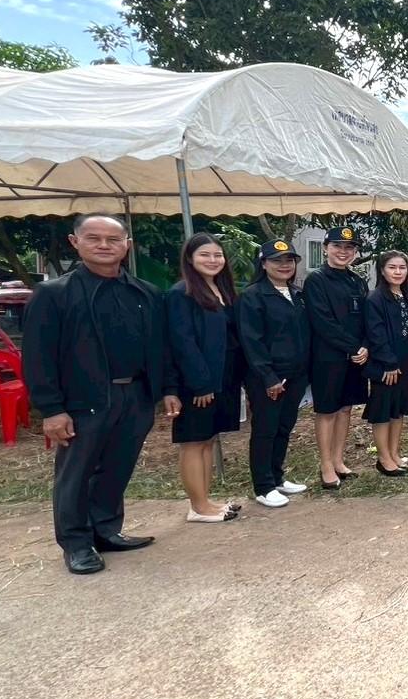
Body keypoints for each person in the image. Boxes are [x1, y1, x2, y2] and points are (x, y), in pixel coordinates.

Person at [24, 213, 181, 575]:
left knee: (117, 467)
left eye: (113, 240)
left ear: (127, 245)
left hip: (135, 396)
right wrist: (51, 409)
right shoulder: (54, 294)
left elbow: (161, 347)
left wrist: (169, 388)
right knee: (76, 474)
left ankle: (106, 530)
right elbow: (37, 356)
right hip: (84, 400)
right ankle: (77, 543)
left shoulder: (145, 292)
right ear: (75, 242)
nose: (104, 246)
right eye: (94, 238)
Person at [166, 233, 245, 522]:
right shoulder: (181, 293)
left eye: (217, 255)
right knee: (194, 442)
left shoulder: (222, 290)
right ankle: (198, 507)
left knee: (208, 440)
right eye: (205, 255)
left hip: (223, 377)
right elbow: (182, 342)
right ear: (190, 258)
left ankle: (205, 501)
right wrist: (200, 383)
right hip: (198, 383)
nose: (213, 260)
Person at [239, 240, 313, 505]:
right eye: (276, 260)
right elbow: (251, 341)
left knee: (284, 426)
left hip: (295, 375)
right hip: (269, 377)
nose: (284, 265)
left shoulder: (297, 294)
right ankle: (263, 486)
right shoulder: (253, 296)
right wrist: (268, 377)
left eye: (289, 260)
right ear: (263, 264)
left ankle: (277, 477)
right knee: (265, 429)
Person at [303, 225, 369, 488]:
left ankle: (339, 460)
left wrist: (365, 346)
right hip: (328, 358)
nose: (343, 252)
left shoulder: (357, 281)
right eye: (337, 246)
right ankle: (326, 465)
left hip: (356, 358)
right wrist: (353, 347)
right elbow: (323, 322)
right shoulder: (316, 280)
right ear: (325, 249)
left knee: (345, 409)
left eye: (349, 247)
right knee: (327, 410)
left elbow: (366, 319)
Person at [363, 251, 408, 476]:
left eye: (402, 267)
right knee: (384, 411)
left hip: (407, 362)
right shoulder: (375, 298)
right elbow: (375, 334)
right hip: (387, 365)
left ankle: (394, 453)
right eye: (392, 267)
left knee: (399, 410)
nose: (398, 272)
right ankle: (383, 458)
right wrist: (388, 362)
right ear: (382, 270)